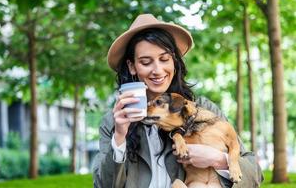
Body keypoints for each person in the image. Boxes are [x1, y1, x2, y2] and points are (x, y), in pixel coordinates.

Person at [93, 14, 263, 188]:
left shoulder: (203, 110)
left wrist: (218, 160)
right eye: (145, 62)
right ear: (132, 66)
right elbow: (103, 184)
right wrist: (120, 135)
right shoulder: (112, 122)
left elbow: (255, 174)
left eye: (164, 59)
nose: (157, 70)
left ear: (174, 61)